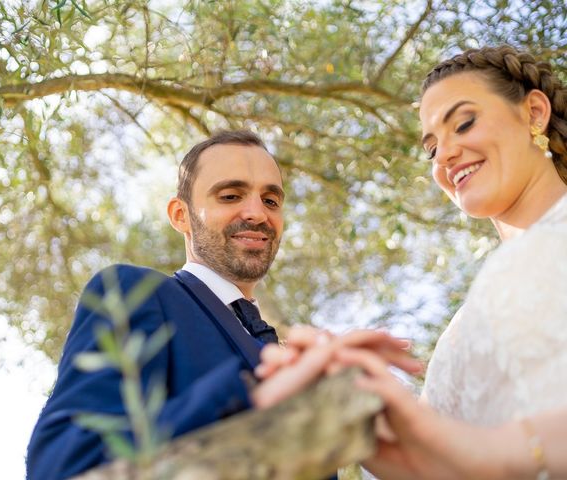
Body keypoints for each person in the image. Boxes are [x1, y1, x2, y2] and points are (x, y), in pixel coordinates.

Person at [26, 130, 418, 480]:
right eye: (230, 196)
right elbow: (62, 466)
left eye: (271, 200)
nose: (257, 213)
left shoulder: (289, 357)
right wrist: (250, 392)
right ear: (181, 215)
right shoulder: (135, 292)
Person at [260, 45, 567, 479]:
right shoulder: (461, 333)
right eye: (431, 148)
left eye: (464, 123)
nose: (444, 155)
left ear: (534, 112)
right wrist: (369, 418)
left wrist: (499, 451)